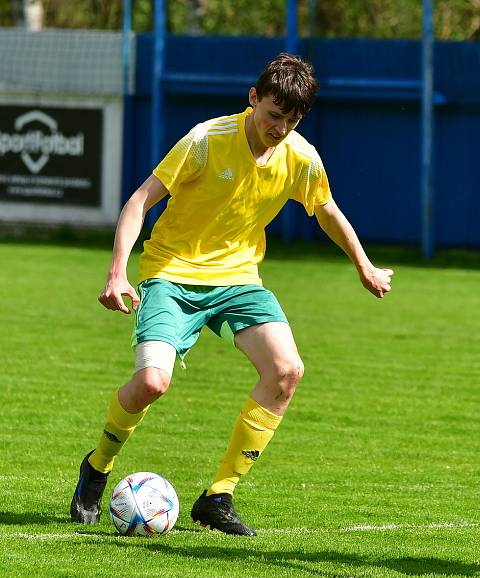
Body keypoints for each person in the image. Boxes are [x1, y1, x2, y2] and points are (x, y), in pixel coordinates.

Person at [70, 53, 394, 536]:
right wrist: (117, 273)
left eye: (291, 120)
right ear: (253, 100)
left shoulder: (301, 157)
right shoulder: (206, 140)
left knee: (287, 371)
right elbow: (139, 200)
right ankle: (97, 467)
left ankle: (218, 495)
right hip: (172, 275)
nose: (279, 128)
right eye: (273, 115)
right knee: (151, 385)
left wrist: (364, 265)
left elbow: (326, 210)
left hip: (239, 279)